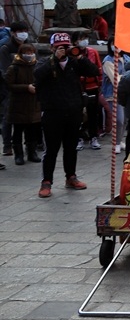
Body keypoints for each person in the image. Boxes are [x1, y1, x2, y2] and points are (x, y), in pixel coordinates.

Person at [34, 32, 98, 197]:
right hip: (52, 113)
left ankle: (71, 176)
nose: (63, 51)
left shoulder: (75, 63)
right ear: (52, 48)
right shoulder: (45, 62)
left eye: (66, 47)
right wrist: (56, 59)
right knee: (52, 149)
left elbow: (93, 71)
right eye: (59, 48)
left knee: (71, 147)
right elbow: (38, 74)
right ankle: (46, 182)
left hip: (74, 111)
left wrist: (80, 56)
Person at [4, 43, 42, 166]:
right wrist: (26, 87)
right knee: (18, 131)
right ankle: (18, 154)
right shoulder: (14, 68)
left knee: (32, 130)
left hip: (34, 104)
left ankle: (32, 152)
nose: (29, 55)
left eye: (31, 52)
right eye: (27, 53)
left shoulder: (37, 65)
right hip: (18, 105)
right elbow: (9, 85)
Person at [0, 20, 32, 156]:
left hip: (29, 88)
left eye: (25, 31)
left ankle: (32, 145)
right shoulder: (6, 48)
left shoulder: (29, 46)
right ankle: (7, 145)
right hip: (10, 89)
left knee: (29, 118)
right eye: (20, 32)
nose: (23, 34)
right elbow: (5, 71)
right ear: (13, 33)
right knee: (8, 117)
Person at [73, 31, 104, 151]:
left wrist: (100, 83)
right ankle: (79, 137)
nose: (84, 41)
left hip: (93, 86)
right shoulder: (72, 53)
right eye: (81, 38)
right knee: (78, 115)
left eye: (85, 38)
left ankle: (93, 137)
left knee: (93, 113)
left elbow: (98, 68)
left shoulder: (92, 52)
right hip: (77, 88)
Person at [101, 44, 130, 153]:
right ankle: (116, 143)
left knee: (126, 120)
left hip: (126, 93)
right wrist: (126, 78)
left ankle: (120, 140)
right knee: (119, 119)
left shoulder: (127, 58)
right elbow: (115, 79)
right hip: (113, 94)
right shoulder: (108, 60)